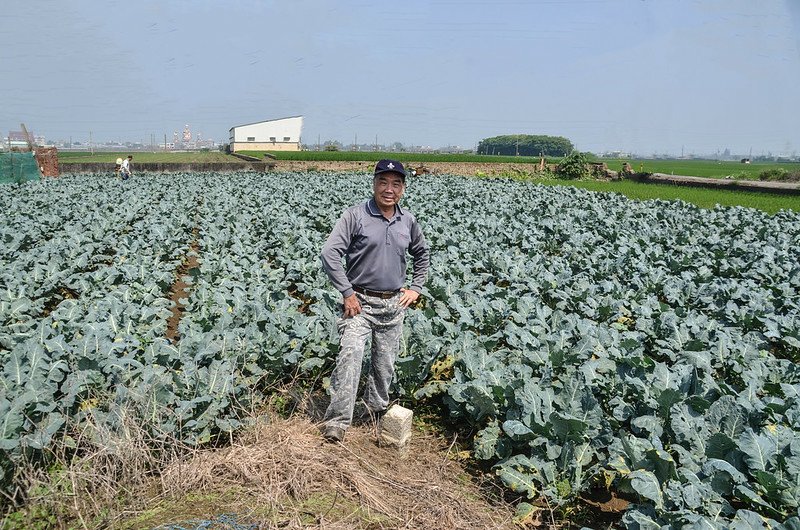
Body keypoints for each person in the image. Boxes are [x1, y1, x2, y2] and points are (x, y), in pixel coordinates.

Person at [319, 159, 430, 443]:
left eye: (395, 184)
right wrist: (347, 293)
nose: (388, 189)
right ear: (374, 184)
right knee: (350, 357)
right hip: (359, 304)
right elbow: (330, 253)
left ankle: (372, 413)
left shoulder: (408, 221)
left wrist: (416, 287)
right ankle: (338, 422)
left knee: (385, 364)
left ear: (403, 188)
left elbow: (422, 254)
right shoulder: (355, 216)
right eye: (383, 182)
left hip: (394, 304)